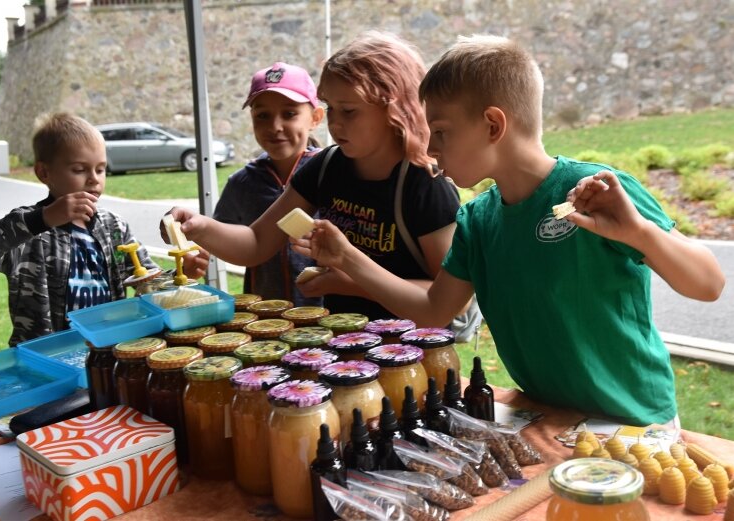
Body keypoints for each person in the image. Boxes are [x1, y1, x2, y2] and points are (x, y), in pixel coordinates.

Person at [293, 35, 726, 426]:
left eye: (441, 131)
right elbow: (433, 310)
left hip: (633, 422)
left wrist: (640, 233)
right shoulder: (478, 220)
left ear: (494, 126)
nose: (428, 147)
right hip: (546, 418)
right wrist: (347, 257)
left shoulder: (595, 190)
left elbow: (708, 284)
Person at [165, 32, 460, 319]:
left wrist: (350, 278)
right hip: (343, 350)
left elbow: (445, 303)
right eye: (331, 107)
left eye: (349, 110)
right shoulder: (327, 167)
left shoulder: (425, 185)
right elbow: (257, 242)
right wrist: (199, 226)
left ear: (394, 109)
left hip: (411, 357)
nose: (334, 122)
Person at [0, 113, 204, 346]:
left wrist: (180, 273)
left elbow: (145, 279)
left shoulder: (114, 227)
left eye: (100, 169)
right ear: (44, 172)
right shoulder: (28, 229)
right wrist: (43, 219)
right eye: (79, 169)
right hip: (50, 358)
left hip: (108, 349)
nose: (94, 179)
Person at [213, 62, 325, 306]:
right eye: (262, 115)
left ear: (315, 118)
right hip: (266, 316)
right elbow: (224, 238)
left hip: (329, 318)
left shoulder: (333, 174)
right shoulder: (241, 183)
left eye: (289, 114)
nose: (275, 127)